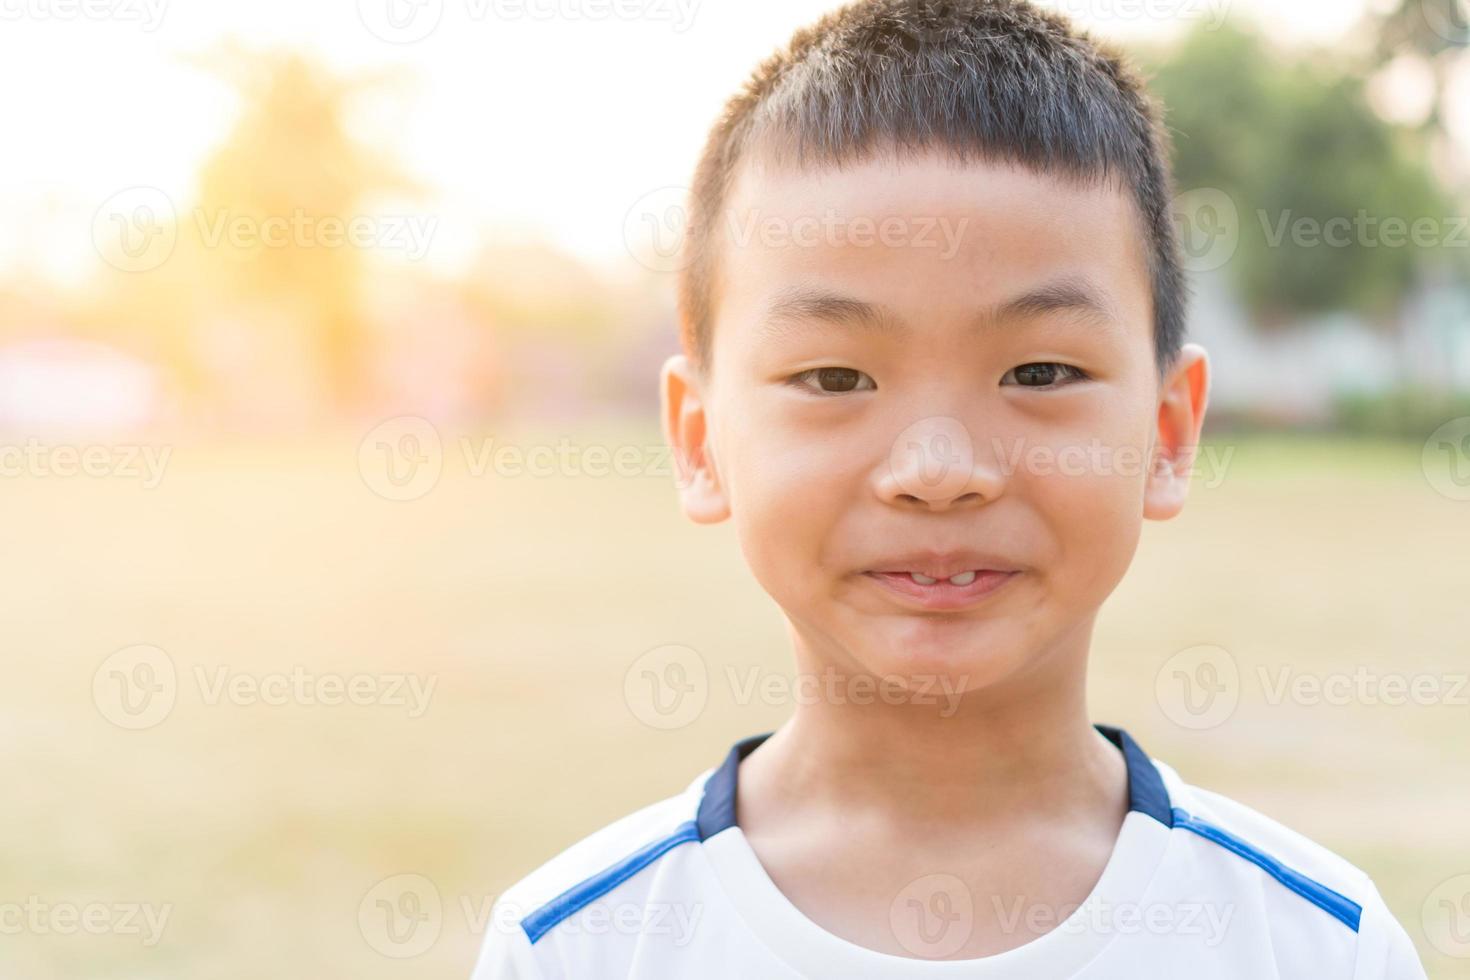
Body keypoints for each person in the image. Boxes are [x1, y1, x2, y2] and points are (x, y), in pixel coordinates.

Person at [472, 0, 1428, 975]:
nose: (939, 470)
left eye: (1041, 373)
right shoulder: (580, 946)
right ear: (700, 439)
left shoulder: (1314, 945)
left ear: (1168, 431)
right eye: (836, 378)